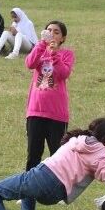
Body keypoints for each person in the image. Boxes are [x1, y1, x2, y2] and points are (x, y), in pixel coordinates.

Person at [24, 21, 73, 171]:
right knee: (33, 155)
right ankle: (30, 186)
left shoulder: (66, 54)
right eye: (49, 30)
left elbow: (63, 73)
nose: (52, 34)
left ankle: (58, 185)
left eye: (56, 32)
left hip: (57, 114)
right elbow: (30, 64)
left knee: (58, 156)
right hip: (35, 111)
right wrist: (41, 45)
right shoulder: (39, 50)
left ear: (63, 38)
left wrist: (54, 54)